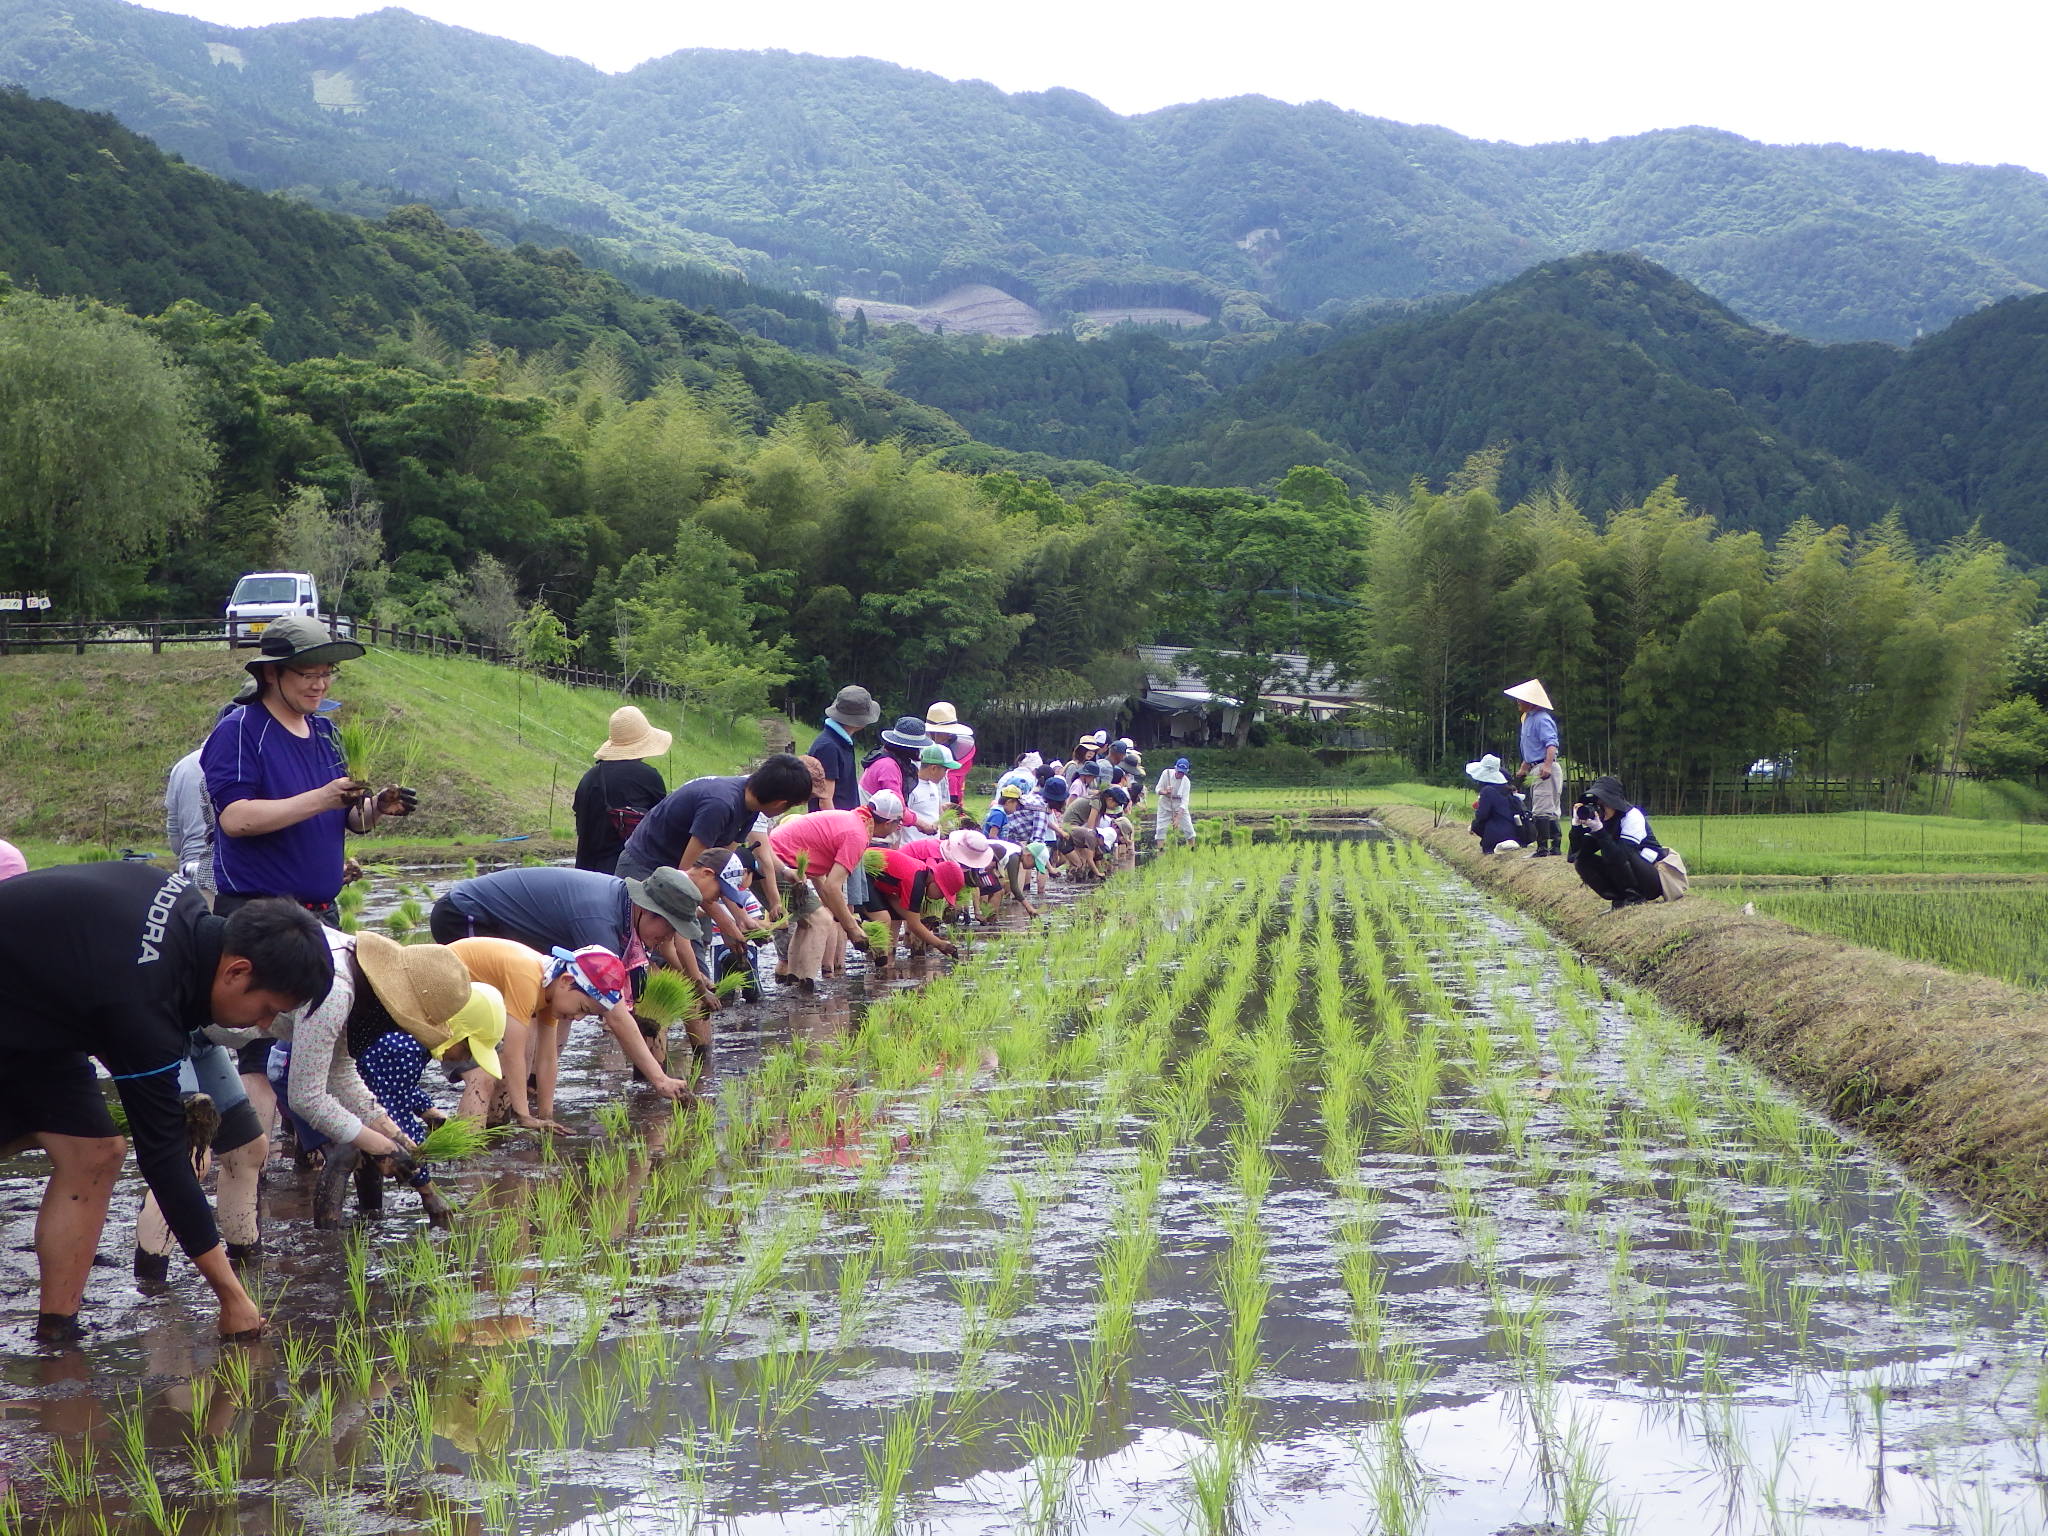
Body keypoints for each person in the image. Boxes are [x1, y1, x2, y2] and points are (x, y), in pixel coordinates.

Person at [0, 863, 331, 1343]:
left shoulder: (187, 910)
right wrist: (232, 1297)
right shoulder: (144, 1004)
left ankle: (57, 1333)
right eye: (267, 1010)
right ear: (238, 971)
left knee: (94, 1153)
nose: (262, 1026)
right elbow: (163, 1160)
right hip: (23, 1007)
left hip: (42, 1014)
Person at [266, 931, 503, 1229]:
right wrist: (427, 1188)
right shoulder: (390, 1035)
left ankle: (367, 1219)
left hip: (306, 1062)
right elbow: (379, 1103)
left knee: (364, 1142)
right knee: (347, 1149)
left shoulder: (395, 1034)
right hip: (293, 1067)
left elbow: (374, 1086)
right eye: (468, 1049)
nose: (464, 1060)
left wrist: (413, 1124)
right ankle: (329, 1238)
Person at [201, 614, 415, 925]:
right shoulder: (240, 731)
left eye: (328, 673)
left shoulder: (327, 732)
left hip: (324, 913)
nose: (320, 685)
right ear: (272, 672)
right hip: (262, 917)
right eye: (308, 674)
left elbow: (348, 818)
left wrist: (377, 807)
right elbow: (236, 819)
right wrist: (322, 798)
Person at [428, 864, 707, 1090]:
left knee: (559, 1001)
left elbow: (573, 999)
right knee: (501, 1020)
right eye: (669, 929)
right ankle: (486, 1091)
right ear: (649, 911)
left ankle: (530, 1085)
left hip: (508, 926)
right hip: (466, 913)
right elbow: (614, 1011)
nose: (667, 939)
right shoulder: (600, 922)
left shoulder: (623, 909)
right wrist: (659, 1079)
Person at [449, 938, 628, 1133]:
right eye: (582, 1008)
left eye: (586, 1015)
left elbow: (547, 1059)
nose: (578, 1018)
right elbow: (513, 1053)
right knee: (482, 1077)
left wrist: (546, 1118)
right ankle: (464, 1156)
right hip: (443, 989)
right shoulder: (527, 977)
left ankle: (492, 1137)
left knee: (500, 1076)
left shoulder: (550, 988)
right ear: (567, 981)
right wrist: (524, 1116)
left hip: (470, 1001)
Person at [766, 809, 881, 988]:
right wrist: (851, 927)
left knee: (807, 923)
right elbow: (832, 888)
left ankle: (795, 984)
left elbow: (821, 883)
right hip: (776, 864)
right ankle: (806, 990)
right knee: (821, 921)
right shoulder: (857, 835)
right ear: (887, 823)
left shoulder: (842, 822)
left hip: (772, 858)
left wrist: (844, 918)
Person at [572, 706, 672, 876]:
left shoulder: (590, 776)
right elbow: (663, 824)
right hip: (626, 872)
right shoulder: (647, 776)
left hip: (586, 871)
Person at [1569, 776, 1666, 909]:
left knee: (1623, 853)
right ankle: (1619, 900)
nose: (1601, 808)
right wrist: (1576, 826)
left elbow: (1622, 856)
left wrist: (1600, 831)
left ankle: (1635, 898)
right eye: (1598, 804)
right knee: (1582, 861)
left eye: (1605, 803)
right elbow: (1574, 855)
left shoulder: (1632, 816)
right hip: (1627, 869)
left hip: (1652, 877)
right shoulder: (1601, 821)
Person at [1506, 679, 1564, 859]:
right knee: (1547, 807)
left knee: (1542, 809)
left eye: (1520, 699)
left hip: (1544, 767)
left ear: (1530, 702)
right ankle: (1553, 847)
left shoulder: (1542, 719)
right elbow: (1531, 751)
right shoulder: (1527, 720)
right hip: (1535, 765)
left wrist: (1546, 766)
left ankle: (1543, 849)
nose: (1518, 702)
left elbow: (1551, 745)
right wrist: (1522, 772)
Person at [809, 685, 881, 812]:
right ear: (858, 721)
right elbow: (825, 801)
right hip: (830, 827)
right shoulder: (828, 747)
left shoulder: (840, 742)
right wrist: (840, 830)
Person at [165, 748, 217, 901]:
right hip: (225, 876)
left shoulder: (182, 766)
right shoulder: (243, 762)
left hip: (188, 876)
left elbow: (175, 840)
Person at [859, 717, 931, 807]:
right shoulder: (888, 766)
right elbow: (897, 806)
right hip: (870, 818)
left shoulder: (890, 759)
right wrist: (922, 821)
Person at [1466, 754, 1527, 853]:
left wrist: (1473, 826)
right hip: (1514, 834)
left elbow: (1481, 816)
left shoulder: (1487, 791)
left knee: (1478, 824)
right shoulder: (1508, 790)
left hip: (1495, 836)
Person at [924, 703, 975, 806]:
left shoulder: (945, 753)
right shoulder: (920, 755)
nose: (949, 736)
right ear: (935, 732)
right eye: (946, 732)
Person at [907, 742, 961, 833]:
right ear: (933, 768)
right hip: (914, 844)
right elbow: (902, 816)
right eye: (945, 770)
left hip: (932, 843)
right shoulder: (910, 788)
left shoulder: (934, 786)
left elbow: (937, 813)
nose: (945, 775)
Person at [1154, 757, 1196, 847]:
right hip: (1164, 805)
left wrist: (1177, 818)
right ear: (1175, 768)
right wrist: (1165, 792)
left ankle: (1192, 849)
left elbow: (1185, 802)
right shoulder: (1166, 773)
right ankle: (1160, 850)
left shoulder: (1186, 782)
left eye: (1182, 773)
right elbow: (1157, 790)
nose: (1180, 774)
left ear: (1186, 772)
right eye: (1179, 771)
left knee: (1189, 829)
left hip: (1179, 807)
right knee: (1161, 829)